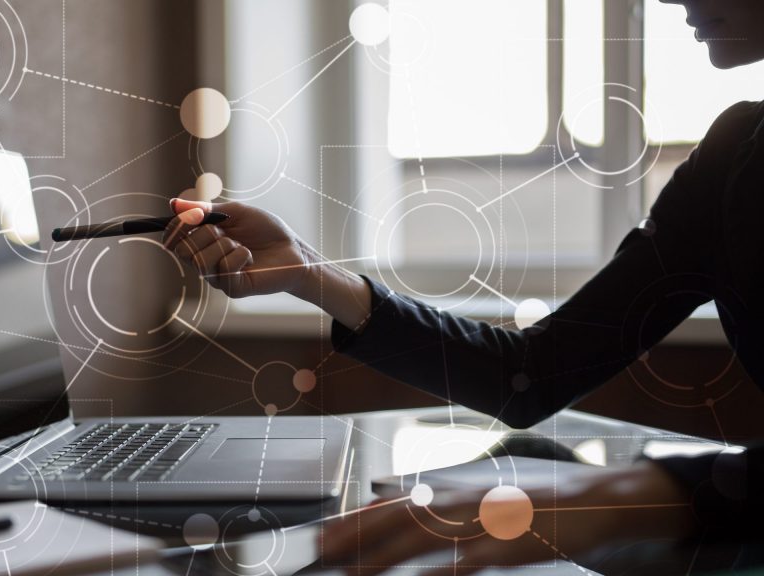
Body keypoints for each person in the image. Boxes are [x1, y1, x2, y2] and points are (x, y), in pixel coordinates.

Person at [163, 0, 764, 572]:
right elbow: (530, 374)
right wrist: (309, 273)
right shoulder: (734, 153)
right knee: (520, 464)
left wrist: (636, 494)